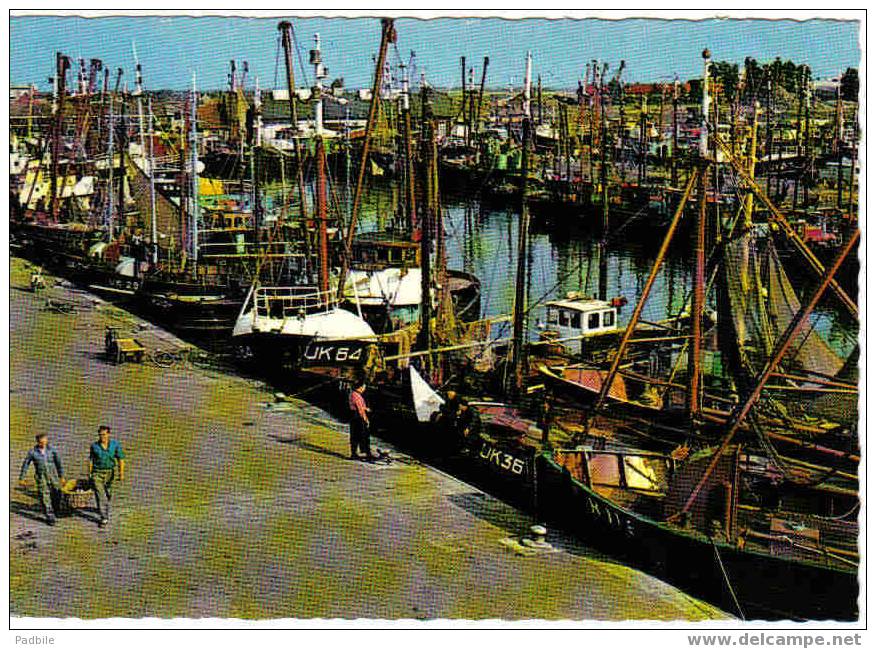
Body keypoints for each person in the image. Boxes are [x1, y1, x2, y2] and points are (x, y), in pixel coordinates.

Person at [18, 433, 66, 526]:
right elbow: (26, 465)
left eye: (45, 441)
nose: (43, 443)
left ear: (47, 441)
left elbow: (59, 463)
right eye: (41, 442)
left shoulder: (52, 450)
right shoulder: (32, 452)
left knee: (57, 493)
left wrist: (62, 476)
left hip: (53, 476)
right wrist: (22, 478)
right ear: (38, 442)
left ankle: (56, 510)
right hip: (41, 477)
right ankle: (50, 516)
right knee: (44, 496)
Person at [88, 425, 125, 528]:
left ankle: (104, 507)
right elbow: (91, 460)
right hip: (97, 473)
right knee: (100, 495)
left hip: (110, 473)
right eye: (100, 435)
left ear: (108, 434)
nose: (102, 437)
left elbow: (121, 459)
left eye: (104, 435)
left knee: (108, 493)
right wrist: (89, 474)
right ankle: (103, 517)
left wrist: (121, 473)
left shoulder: (115, 445)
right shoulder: (94, 446)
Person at [348, 382, 375, 461]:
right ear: (359, 387)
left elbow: (359, 406)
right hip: (358, 417)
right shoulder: (356, 396)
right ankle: (367, 453)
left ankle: (355, 453)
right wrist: (366, 419)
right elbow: (360, 410)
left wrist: (365, 408)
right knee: (364, 434)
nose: (364, 389)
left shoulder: (353, 394)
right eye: (363, 387)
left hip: (354, 416)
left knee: (355, 435)